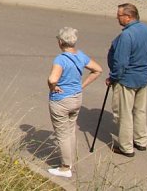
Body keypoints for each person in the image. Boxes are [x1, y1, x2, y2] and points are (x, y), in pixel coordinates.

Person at [46, 27, 103, 179]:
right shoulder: (80, 55)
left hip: (61, 101)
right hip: (76, 98)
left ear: (60, 42)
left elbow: (52, 79)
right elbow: (98, 70)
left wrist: (53, 86)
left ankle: (65, 167)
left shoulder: (61, 59)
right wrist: (82, 86)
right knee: (70, 130)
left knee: (62, 134)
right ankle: (70, 160)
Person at [107, 3, 147, 157]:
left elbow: (120, 62)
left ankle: (126, 147)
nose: (117, 18)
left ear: (128, 17)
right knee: (140, 111)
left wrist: (113, 77)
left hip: (126, 80)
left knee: (124, 114)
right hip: (143, 77)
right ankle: (141, 141)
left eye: (119, 15)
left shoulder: (126, 35)